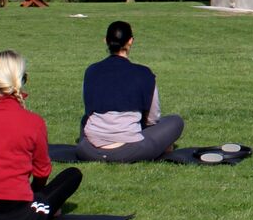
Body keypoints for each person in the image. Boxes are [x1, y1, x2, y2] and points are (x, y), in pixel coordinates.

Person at [0, 50, 82, 220]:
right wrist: (36, 194)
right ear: (24, 79)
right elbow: (42, 171)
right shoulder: (34, 122)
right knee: (72, 175)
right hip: (18, 216)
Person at [75, 20, 185, 162]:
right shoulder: (144, 74)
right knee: (175, 121)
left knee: (86, 118)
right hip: (129, 150)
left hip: (89, 150)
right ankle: (159, 148)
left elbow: (89, 109)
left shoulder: (91, 71)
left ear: (106, 41)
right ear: (130, 41)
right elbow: (152, 119)